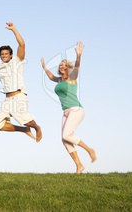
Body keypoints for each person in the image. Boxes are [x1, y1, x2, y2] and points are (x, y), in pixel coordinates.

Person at [41, 42, 96, 173]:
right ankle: (79, 165)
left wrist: (79, 56)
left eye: (65, 65)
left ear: (69, 68)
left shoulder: (72, 78)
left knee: (67, 135)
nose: (62, 67)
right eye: (61, 65)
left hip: (76, 109)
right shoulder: (59, 80)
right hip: (66, 112)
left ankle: (89, 150)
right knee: (64, 139)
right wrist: (44, 66)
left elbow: (77, 67)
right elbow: (50, 76)